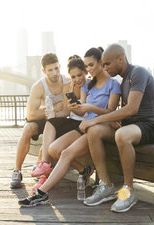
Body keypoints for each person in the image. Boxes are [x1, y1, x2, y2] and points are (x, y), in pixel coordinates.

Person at [18, 47, 121, 207]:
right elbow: (82, 113)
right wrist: (75, 108)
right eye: (86, 66)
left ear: (101, 63)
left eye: (90, 65)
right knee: (54, 149)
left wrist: (88, 108)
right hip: (84, 125)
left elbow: (110, 112)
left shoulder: (114, 85)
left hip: (97, 128)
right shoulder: (89, 86)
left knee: (65, 153)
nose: (88, 70)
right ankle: (71, 171)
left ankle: (42, 193)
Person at [79, 44, 154, 212]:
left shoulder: (138, 72)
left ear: (120, 58)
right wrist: (111, 120)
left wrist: (96, 119)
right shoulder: (123, 81)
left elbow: (132, 109)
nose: (105, 68)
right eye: (102, 65)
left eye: (107, 64)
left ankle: (128, 190)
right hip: (132, 125)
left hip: (150, 126)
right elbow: (124, 113)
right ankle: (106, 185)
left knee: (122, 135)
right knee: (94, 131)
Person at [10, 53, 70, 188]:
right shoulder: (39, 86)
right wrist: (55, 107)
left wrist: (57, 111)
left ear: (60, 66)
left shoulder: (67, 81)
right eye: (50, 70)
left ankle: (40, 167)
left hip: (61, 119)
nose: (55, 73)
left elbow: (67, 109)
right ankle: (17, 171)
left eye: (56, 68)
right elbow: (31, 115)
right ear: (44, 71)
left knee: (52, 132)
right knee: (28, 128)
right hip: (44, 117)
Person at [30, 55, 89, 191]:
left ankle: (45, 176)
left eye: (79, 75)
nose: (77, 79)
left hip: (83, 124)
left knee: (52, 148)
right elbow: (66, 112)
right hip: (72, 121)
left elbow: (84, 111)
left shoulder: (88, 85)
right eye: (73, 77)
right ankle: (45, 164)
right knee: (50, 122)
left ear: (85, 72)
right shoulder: (67, 86)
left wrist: (78, 107)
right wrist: (54, 115)